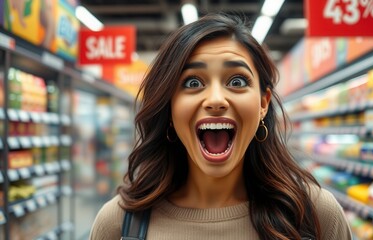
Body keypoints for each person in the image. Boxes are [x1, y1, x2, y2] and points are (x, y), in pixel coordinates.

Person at [89, 13, 352, 240]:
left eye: (237, 81)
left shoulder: (315, 216)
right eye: (192, 83)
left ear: (263, 103)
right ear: (169, 107)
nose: (216, 100)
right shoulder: (119, 225)